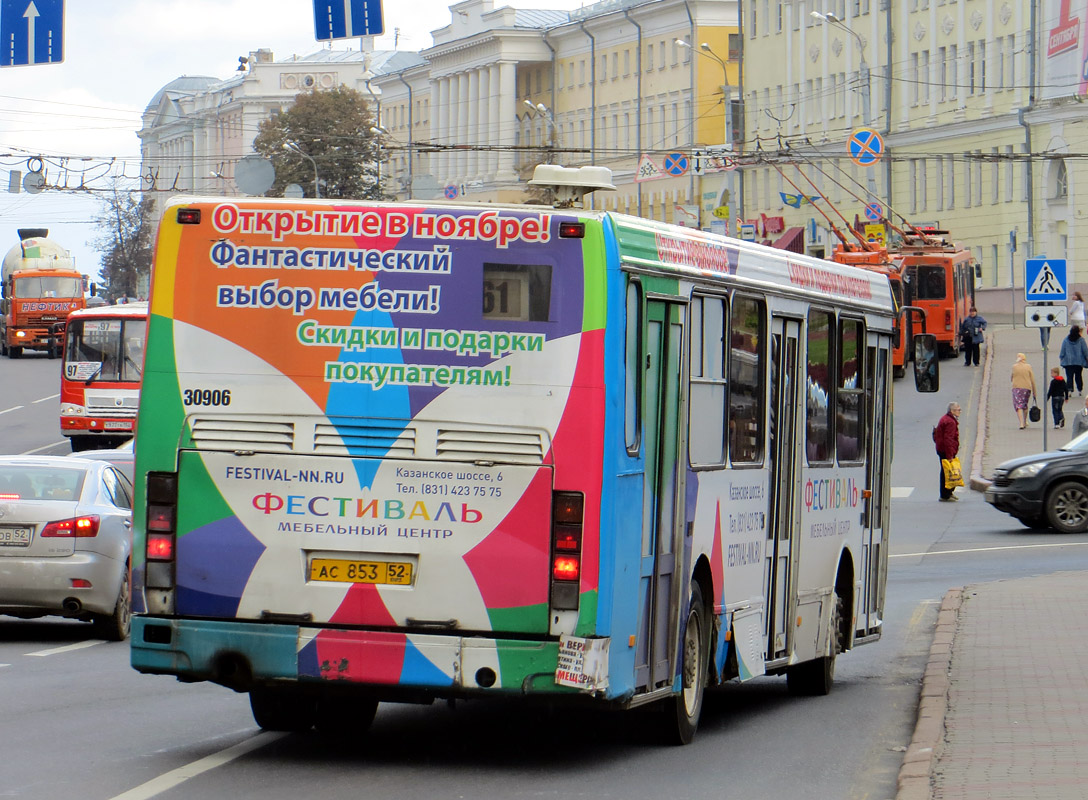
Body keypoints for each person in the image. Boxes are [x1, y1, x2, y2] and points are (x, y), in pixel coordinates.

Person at [933, 402, 961, 501]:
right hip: (946, 450)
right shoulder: (950, 422)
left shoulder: (946, 419)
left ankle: (949, 492)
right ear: (952, 411)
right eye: (958, 409)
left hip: (941, 449)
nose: (960, 411)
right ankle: (945, 495)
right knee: (947, 472)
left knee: (946, 471)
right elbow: (948, 440)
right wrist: (950, 455)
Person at [1010, 352, 1037, 430]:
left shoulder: (1014, 367)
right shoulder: (1028, 367)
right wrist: (1034, 392)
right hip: (1027, 388)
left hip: (1016, 388)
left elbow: (1012, 377)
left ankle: (1021, 423)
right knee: (1024, 405)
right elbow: (1032, 379)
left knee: (1018, 406)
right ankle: (1025, 421)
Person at [1060, 325, 1088, 396]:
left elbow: (1063, 350)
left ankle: (1069, 390)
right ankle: (1080, 390)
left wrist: (1061, 357)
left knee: (1069, 376)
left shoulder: (1066, 340)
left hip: (1068, 362)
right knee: (1078, 376)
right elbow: (1085, 351)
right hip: (1079, 362)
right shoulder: (1081, 340)